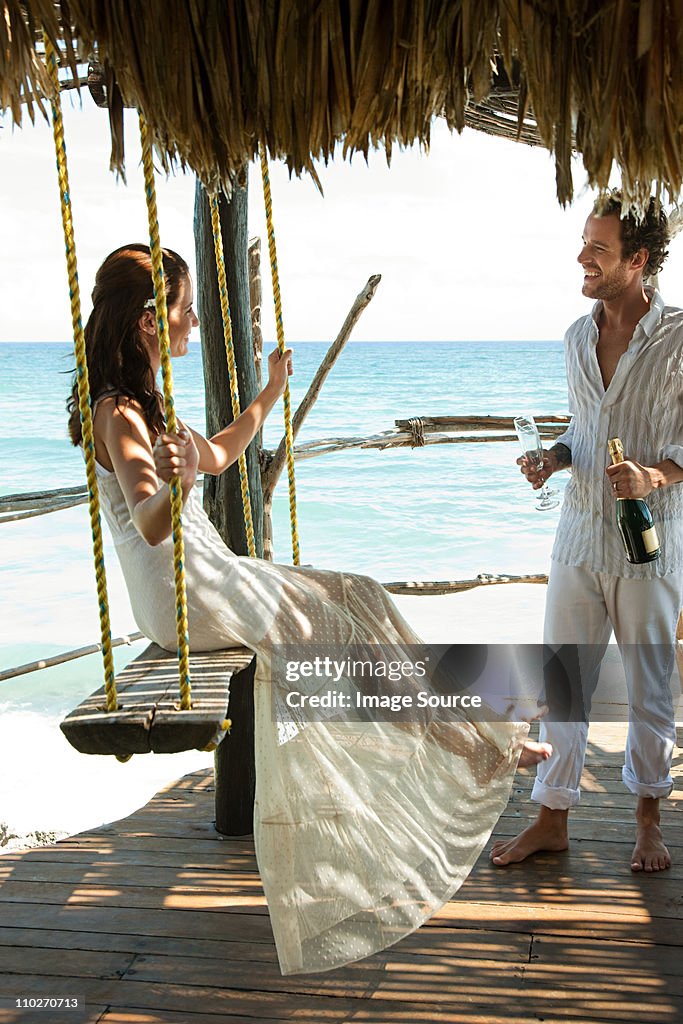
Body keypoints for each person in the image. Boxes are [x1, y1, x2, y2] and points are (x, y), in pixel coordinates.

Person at [69, 243, 549, 975]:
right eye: (184, 307)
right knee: (329, 634)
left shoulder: (148, 402)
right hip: (182, 591)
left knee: (359, 593)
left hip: (208, 571)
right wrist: (177, 481)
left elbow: (224, 452)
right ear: (146, 322)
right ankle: (480, 745)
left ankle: (474, 731)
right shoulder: (119, 414)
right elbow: (152, 523)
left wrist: (268, 391)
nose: (193, 319)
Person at [491, 192, 683, 873]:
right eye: (584, 244)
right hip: (577, 536)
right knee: (562, 680)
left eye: (598, 249)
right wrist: (553, 457)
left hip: (647, 545)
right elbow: (583, 427)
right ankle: (550, 818)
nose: (582, 258)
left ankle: (647, 820)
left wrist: (653, 477)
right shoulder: (576, 336)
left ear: (637, 260)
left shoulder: (679, 337)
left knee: (650, 685)